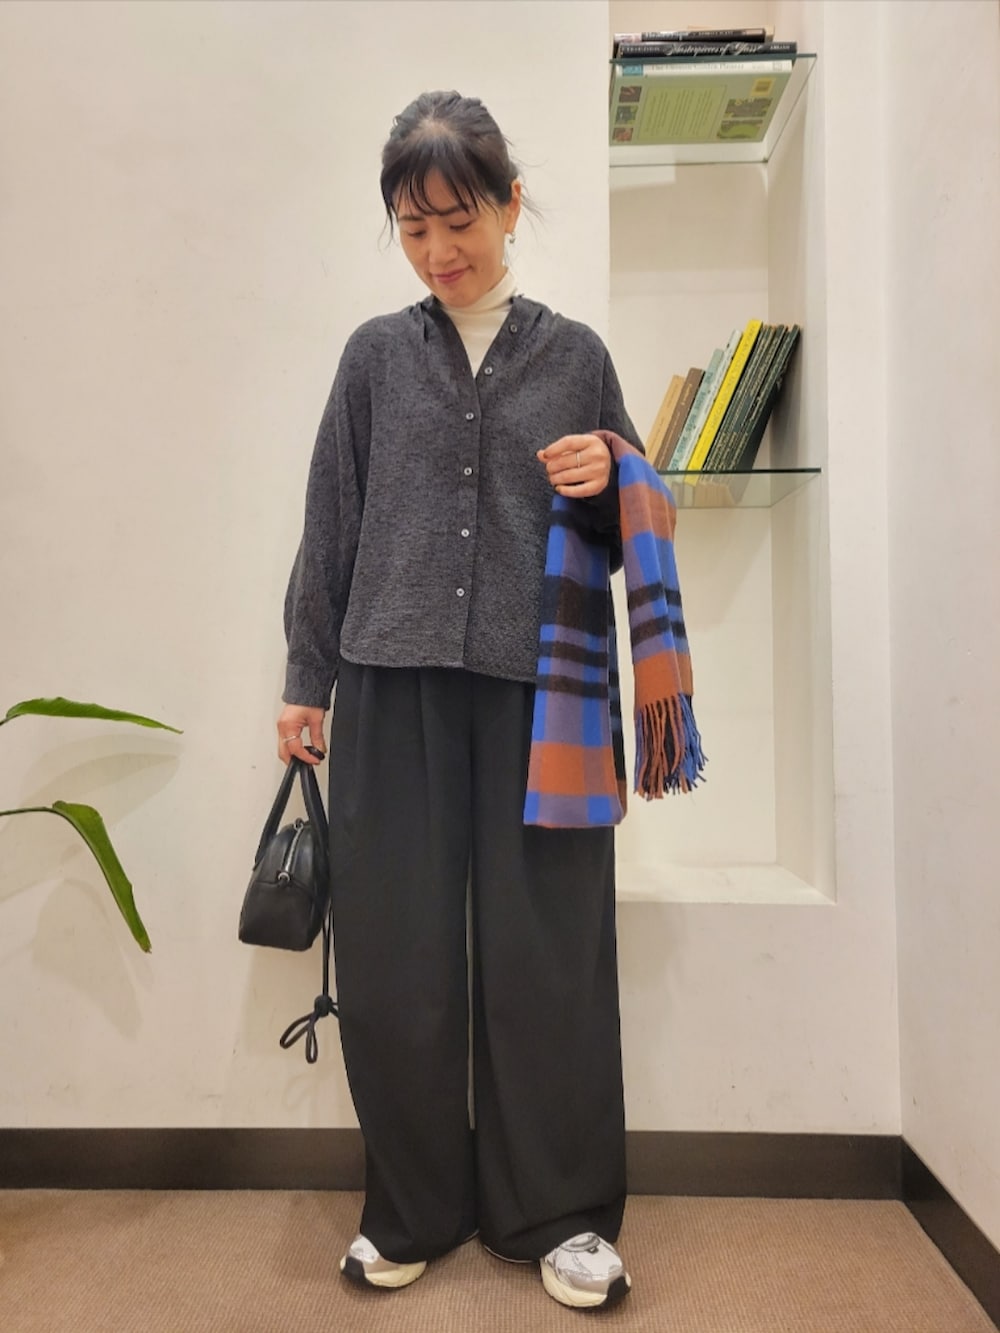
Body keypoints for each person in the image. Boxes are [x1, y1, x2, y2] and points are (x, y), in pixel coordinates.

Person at [276, 90, 642, 1313]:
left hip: (544, 697)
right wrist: (304, 679)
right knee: (397, 962)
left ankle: (559, 1213)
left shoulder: (575, 356)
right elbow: (331, 518)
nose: (439, 249)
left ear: (509, 204)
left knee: (550, 957)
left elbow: (635, 518)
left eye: (459, 219)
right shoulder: (375, 358)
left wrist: (611, 477)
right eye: (413, 226)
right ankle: (412, 1205)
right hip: (390, 689)